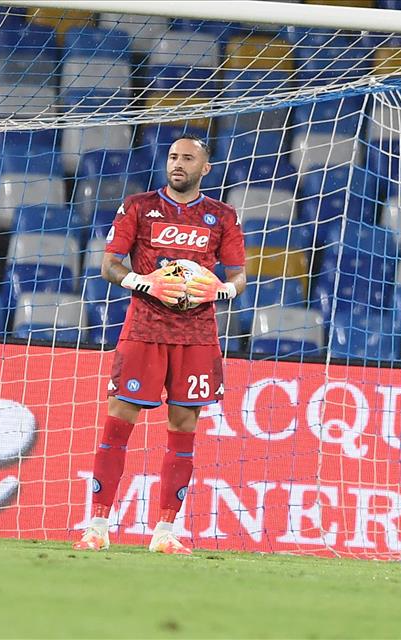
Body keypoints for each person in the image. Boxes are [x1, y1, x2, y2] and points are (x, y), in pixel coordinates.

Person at [73, 134, 247, 555]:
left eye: (188, 158)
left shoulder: (221, 216)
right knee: (119, 422)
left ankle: (165, 533)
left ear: (205, 168)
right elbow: (109, 265)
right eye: (173, 157)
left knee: (184, 428)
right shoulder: (139, 207)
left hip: (197, 335)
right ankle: (97, 526)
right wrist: (144, 281)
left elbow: (239, 276)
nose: (178, 164)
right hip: (144, 329)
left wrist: (218, 292)